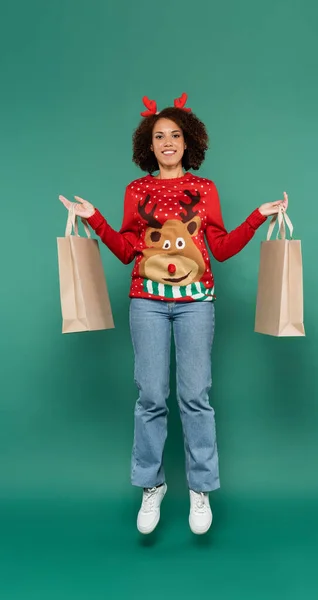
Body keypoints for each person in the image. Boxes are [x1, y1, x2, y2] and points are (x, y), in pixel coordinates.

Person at [59, 93, 288, 536]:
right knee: (150, 395)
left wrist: (259, 216)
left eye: (175, 135)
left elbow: (218, 248)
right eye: (159, 135)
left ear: (188, 142)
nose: (167, 142)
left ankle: (200, 489)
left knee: (195, 396)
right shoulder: (136, 190)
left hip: (196, 303)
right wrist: (96, 220)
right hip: (146, 300)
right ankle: (153, 484)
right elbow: (128, 251)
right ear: (149, 144)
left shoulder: (205, 190)